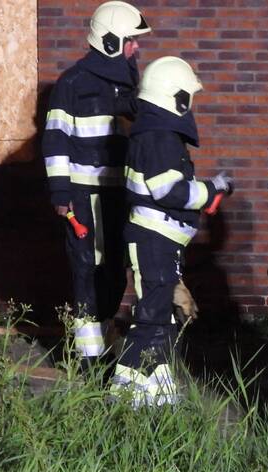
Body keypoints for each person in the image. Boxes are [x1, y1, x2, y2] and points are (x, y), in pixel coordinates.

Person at [110, 56, 233, 406]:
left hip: (158, 240)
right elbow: (171, 191)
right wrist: (212, 188)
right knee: (152, 316)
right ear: (177, 98)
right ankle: (126, 390)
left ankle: (158, 387)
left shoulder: (153, 132)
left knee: (163, 315)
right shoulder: (161, 137)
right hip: (154, 240)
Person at [42, 0, 151, 367]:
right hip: (84, 195)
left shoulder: (131, 85)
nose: (136, 48)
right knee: (89, 270)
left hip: (120, 194)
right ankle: (89, 359)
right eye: (131, 41)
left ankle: (102, 341)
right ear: (110, 41)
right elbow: (56, 139)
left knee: (115, 269)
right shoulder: (72, 83)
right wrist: (61, 192)